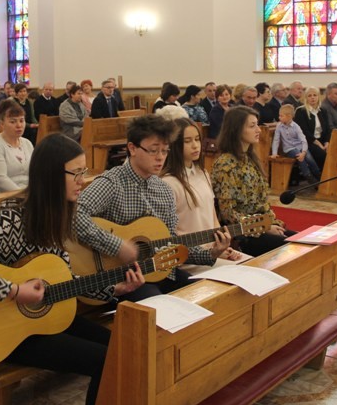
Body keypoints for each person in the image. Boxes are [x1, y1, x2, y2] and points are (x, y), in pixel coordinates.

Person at [0, 133, 145, 405]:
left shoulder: (60, 214)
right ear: (50, 174)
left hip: (42, 318)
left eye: (84, 172)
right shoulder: (13, 216)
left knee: (121, 348)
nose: (82, 181)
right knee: (106, 360)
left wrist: (115, 288)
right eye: (76, 173)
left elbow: (63, 280)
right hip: (5, 328)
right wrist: (13, 290)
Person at [75, 115, 231, 297]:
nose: (160, 158)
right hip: (123, 276)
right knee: (157, 305)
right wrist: (116, 245)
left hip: (161, 271)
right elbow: (75, 215)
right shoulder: (112, 182)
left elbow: (172, 242)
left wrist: (211, 253)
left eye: (165, 151)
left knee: (203, 294)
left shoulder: (163, 190)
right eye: (153, 151)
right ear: (132, 148)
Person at [211, 106, 294, 257]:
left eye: (257, 124)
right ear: (236, 130)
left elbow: (263, 203)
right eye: (252, 126)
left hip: (261, 226)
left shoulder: (250, 159)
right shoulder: (225, 164)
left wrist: (272, 223)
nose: (258, 130)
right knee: (290, 249)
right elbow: (229, 214)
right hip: (243, 234)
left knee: (303, 241)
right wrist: (264, 227)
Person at [161, 118, 240, 260]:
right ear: (174, 144)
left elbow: (212, 215)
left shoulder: (202, 173)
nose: (195, 145)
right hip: (190, 258)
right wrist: (209, 254)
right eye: (187, 141)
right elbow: (169, 234)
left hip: (214, 252)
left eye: (197, 139)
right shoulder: (168, 182)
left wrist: (221, 246)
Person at [0, 100, 34, 195]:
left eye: (21, 120)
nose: (19, 125)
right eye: (13, 122)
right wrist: (23, 195)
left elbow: (35, 172)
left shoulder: (27, 144)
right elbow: (0, 179)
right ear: (2, 123)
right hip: (0, 195)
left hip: (27, 193)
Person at [271, 104, 321, 184]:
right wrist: (274, 153)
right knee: (299, 157)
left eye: (281, 116)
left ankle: (319, 176)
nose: (279, 118)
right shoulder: (279, 126)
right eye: (279, 115)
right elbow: (276, 140)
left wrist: (304, 152)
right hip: (289, 149)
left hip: (300, 147)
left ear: (289, 116)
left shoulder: (296, 126)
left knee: (309, 159)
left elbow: (303, 140)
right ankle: (309, 177)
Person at [294, 86, 331, 171]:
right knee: (322, 155)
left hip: (322, 140)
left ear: (318, 97)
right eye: (309, 96)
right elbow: (304, 132)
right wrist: (319, 145)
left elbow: (327, 129)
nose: (312, 98)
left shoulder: (322, 110)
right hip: (308, 142)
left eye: (315, 95)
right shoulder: (301, 111)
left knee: (334, 152)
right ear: (306, 98)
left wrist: (327, 142)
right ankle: (322, 177)